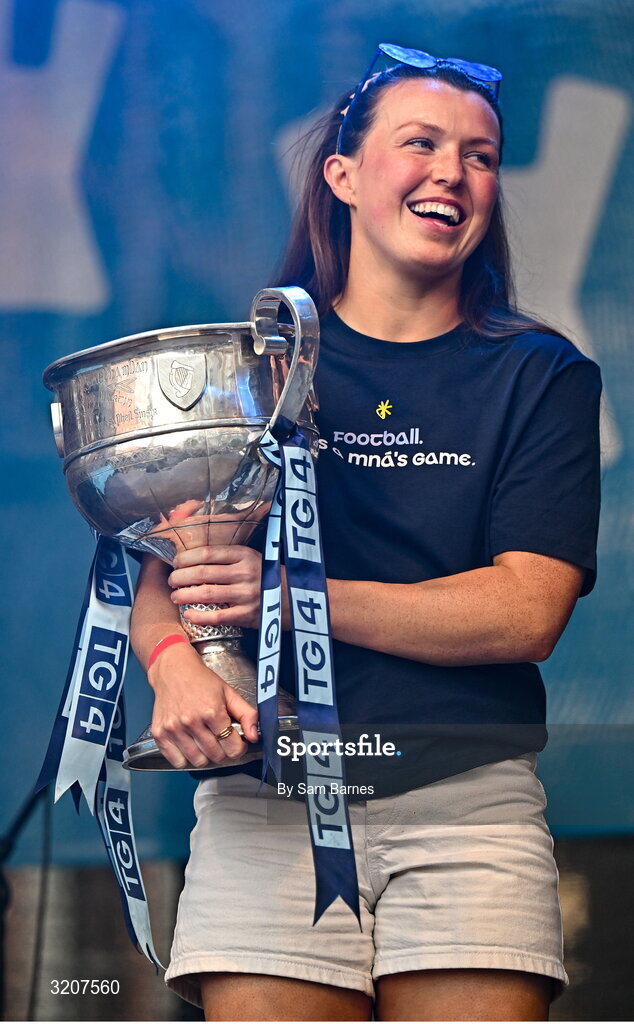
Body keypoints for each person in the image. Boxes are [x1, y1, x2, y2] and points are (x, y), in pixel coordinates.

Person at [130, 45, 601, 1022]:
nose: (452, 172)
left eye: (479, 155)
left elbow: (524, 610)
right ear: (342, 175)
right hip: (268, 809)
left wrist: (288, 595)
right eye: (420, 142)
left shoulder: (541, 375)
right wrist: (178, 664)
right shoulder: (246, 366)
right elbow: (176, 562)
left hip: (467, 803)